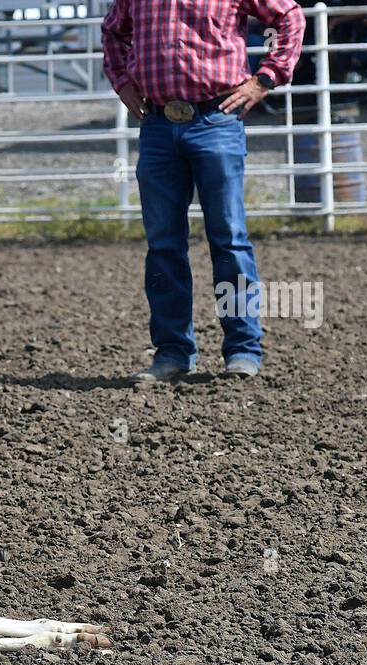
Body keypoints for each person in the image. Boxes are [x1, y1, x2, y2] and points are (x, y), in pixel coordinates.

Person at [102, 0, 305, 382]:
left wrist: (266, 78)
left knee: (227, 237)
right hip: (161, 122)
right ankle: (173, 352)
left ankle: (242, 348)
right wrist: (122, 82)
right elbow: (113, 31)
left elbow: (288, 15)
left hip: (215, 117)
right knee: (164, 243)